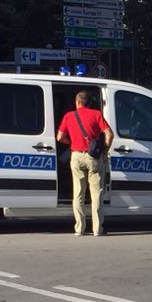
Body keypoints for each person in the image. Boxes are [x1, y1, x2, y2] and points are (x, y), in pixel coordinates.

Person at [57, 89, 114, 237]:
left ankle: (79, 228)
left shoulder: (69, 116)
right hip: (93, 157)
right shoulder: (96, 114)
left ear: (77, 102)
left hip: (76, 156)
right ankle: (97, 229)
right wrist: (105, 150)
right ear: (89, 103)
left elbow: (60, 137)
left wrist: (71, 143)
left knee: (78, 194)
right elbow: (109, 133)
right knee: (96, 194)